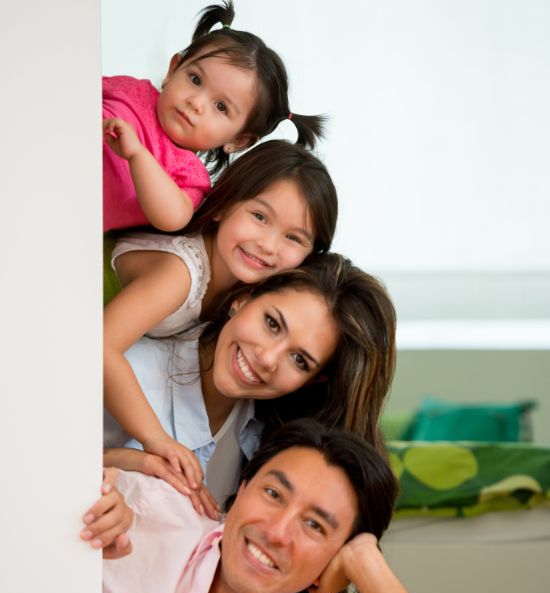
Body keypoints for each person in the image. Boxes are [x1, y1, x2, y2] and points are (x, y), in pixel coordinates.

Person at [85, 419, 477, 593]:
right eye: (273, 494)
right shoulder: (146, 507)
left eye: (314, 525)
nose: (277, 531)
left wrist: (368, 566)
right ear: (242, 488)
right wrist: (88, 484)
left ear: (335, 559)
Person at [104, 140, 337, 494]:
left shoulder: (237, 286)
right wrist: (155, 438)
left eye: (293, 237)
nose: (268, 245)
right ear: (224, 205)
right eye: (260, 217)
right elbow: (100, 347)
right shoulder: (179, 275)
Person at [104, 253, 396, 517]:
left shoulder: (267, 438)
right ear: (243, 299)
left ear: (314, 380)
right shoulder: (127, 372)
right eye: (272, 323)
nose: (268, 358)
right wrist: (120, 462)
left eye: (299, 359)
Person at [103, 0, 324, 233]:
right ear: (173, 70)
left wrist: (137, 155)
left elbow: (171, 218)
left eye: (221, 107)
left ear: (239, 140)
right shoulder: (130, 89)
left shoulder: (189, 174)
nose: (196, 102)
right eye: (195, 79)